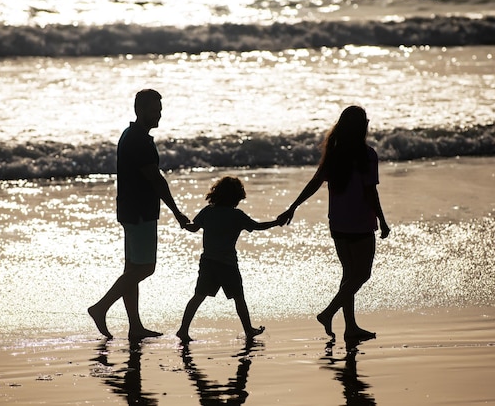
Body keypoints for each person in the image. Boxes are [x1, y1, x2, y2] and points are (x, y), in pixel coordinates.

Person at [277, 105, 390, 346]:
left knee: (349, 275)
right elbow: (371, 191)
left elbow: (315, 181)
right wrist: (382, 220)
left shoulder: (335, 153)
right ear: (363, 127)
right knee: (361, 275)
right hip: (360, 222)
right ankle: (328, 313)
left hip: (338, 222)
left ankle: (350, 328)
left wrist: (293, 206)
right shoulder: (367, 154)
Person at [88, 88, 189, 341]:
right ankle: (101, 307)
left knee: (132, 268)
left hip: (129, 208)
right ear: (139, 110)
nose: (159, 116)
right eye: (154, 111)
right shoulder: (139, 141)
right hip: (140, 211)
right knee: (146, 267)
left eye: (160, 110)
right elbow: (156, 180)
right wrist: (177, 212)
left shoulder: (130, 135)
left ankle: (135, 326)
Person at [176, 176, 284, 343]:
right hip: (228, 265)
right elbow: (257, 226)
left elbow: (193, 228)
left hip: (208, 263)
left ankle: (183, 330)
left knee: (198, 296)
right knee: (239, 298)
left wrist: (182, 221)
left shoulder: (208, 211)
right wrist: (276, 223)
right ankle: (248, 330)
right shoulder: (237, 215)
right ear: (236, 197)